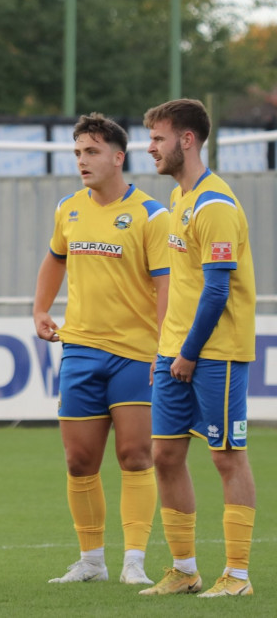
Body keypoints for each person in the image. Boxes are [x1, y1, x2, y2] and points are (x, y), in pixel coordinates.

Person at [33, 113, 170, 586]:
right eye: (77, 153)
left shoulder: (152, 214)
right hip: (81, 350)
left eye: (90, 152)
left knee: (135, 455)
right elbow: (54, 258)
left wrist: (164, 347)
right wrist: (40, 310)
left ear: (118, 156)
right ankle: (91, 561)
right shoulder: (68, 208)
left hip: (136, 353)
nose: (82, 161)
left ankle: (134, 559)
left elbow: (166, 285)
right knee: (78, 461)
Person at [139, 98, 257, 598]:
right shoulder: (178, 199)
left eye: (158, 139)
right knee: (164, 454)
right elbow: (182, 286)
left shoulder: (215, 205)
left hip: (216, 352)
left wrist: (187, 353)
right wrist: (165, 349)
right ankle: (185, 570)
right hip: (175, 352)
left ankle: (238, 576)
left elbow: (215, 290)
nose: (151, 149)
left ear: (187, 140)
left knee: (226, 456)